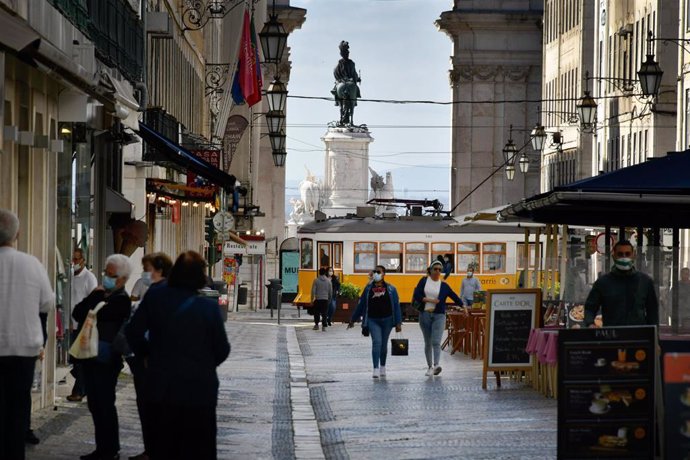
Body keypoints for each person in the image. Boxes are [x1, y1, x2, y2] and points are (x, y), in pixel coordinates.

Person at [125, 251, 230, 460]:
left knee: (164, 443)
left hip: (162, 385)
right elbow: (222, 349)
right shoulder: (208, 308)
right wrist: (204, 364)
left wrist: (148, 354)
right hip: (200, 389)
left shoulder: (155, 297)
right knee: (200, 445)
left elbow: (133, 331)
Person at [0, 209, 53, 460]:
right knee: (17, 411)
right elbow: (46, 303)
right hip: (23, 350)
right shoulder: (32, 264)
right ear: (17, 234)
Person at [73, 254, 132, 460]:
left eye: (111, 274)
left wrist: (96, 301)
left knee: (105, 403)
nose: (106, 277)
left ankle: (110, 449)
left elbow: (101, 315)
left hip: (107, 359)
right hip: (90, 356)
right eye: (105, 273)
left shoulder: (122, 301)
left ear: (122, 279)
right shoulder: (99, 295)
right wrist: (94, 297)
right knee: (95, 404)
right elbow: (77, 312)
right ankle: (102, 448)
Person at [126, 252, 172, 460]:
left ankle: (151, 451)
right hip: (172, 363)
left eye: (146, 269)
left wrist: (142, 353)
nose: (144, 274)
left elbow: (135, 329)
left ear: (159, 270)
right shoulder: (178, 292)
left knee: (149, 408)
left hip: (151, 362)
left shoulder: (155, 293)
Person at [584, 240, 659, 327]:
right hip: (611, 336)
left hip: (638, 336)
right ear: (614, 256)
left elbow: (653, 312)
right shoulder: (603, 283)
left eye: (627, 254)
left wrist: (653, 335)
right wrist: (590, 323)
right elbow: (590, 307)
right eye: (620, 254)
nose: (624, 257)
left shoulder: (645, 282)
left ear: (633, 256)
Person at [348, 265, 403, 379]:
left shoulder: (391, 289)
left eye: (378, 272)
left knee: (383, 345)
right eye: (374, 272)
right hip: (373, 320)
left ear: (384, 274)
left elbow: (397, 306)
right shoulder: (368, 289)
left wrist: (398, 323)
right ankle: (375, 368)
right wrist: (353, 319)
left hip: (387, 320)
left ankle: (383, 366)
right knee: (377, 342)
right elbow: (361, 304)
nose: (376, 274)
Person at [413, 260, 463, 377]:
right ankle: (429, 367)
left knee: (436, 341)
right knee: (428, 342)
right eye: (435, 269)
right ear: (430, 270)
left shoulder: (444, 286)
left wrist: (463, 306)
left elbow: (454, 296)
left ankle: (436, 365)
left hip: (439, 316)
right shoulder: (424, 281)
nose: (437, 271)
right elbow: (417, 295)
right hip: (425, 314)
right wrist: (430, 300)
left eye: (440, 270)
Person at [67, 248, 98, 402]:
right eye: (73, 259)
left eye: (77, 259)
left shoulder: (89, 278)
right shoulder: (70, 276)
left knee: (78, 360)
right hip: (69, 323)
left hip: (82, 324)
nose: (74, 262)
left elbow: (93, 302)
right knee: (73, 359)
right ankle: (83, 386)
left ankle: (79, 390)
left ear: (83, 260)